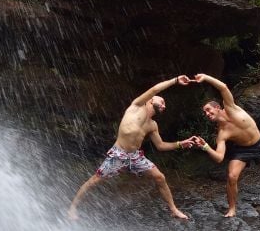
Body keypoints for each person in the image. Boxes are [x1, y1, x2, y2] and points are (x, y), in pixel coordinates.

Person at [68, 75, 196, 221]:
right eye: (162, 101)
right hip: (118, 154)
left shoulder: (152, 125)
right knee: (95, 180)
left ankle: (173, 209)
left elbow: (161, 146)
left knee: (160, 177)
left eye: (165, 105)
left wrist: (181, 143)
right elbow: (155, 89)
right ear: (151, 100)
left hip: (135, 157)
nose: (164, 105)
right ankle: (73, 208)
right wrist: (175, 80)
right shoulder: (136, 106)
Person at [190, 72, 260, 218]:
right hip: (242, 150)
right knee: (231, 176)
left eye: (208, 110)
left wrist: (206, 77)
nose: (207, 114)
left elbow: (223, 87)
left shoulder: (231, 107)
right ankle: (232, 209)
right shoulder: (222, 133)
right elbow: (218, 158)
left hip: (259, 145)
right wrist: (205, 146)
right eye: (205, 113)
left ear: (217, 107)